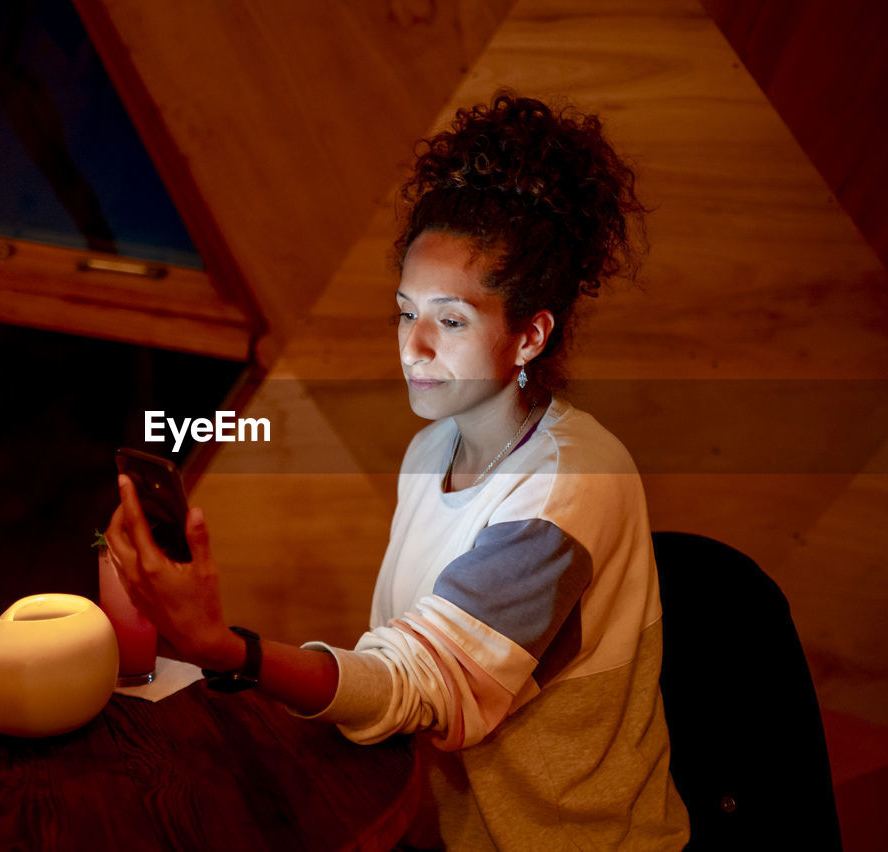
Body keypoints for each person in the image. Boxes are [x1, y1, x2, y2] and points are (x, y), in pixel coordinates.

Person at [106, 91, 690, 850]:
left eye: (449, 320)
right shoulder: (432, 450)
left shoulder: (571, 487)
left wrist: (227, 650)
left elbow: (418, 686)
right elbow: (400, 660)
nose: (413, 346)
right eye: (404, 311)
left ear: (529, 335)